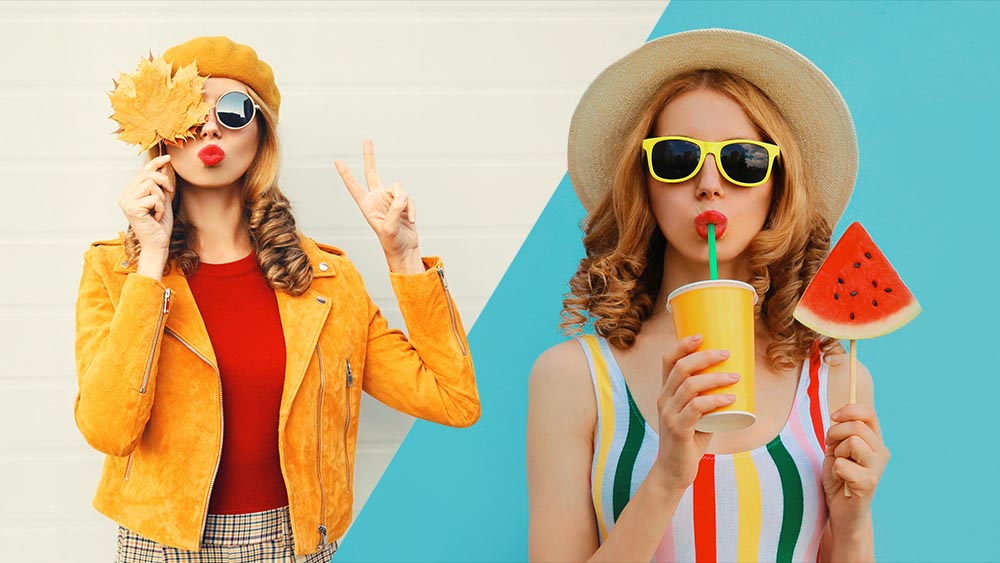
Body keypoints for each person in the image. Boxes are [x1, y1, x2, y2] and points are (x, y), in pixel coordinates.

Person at [74, 36, 480, 562]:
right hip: (161, 543)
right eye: (190, 110)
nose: (210, 128)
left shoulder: (327, 281)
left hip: (293, 543)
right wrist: (151, 260)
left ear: (261, 133)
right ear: (159, 133)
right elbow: (108, 430)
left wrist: (403, 256)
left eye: (233, 110)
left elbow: (453, 399)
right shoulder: (115, 271)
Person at [527, 29, 890, 562]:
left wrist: (853, 525)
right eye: (677, 158)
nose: (710, 184)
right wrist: (668, 476)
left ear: (777, 184)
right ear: (645, 183)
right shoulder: (573, 379)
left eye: (743, 161)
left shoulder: (836, 381)